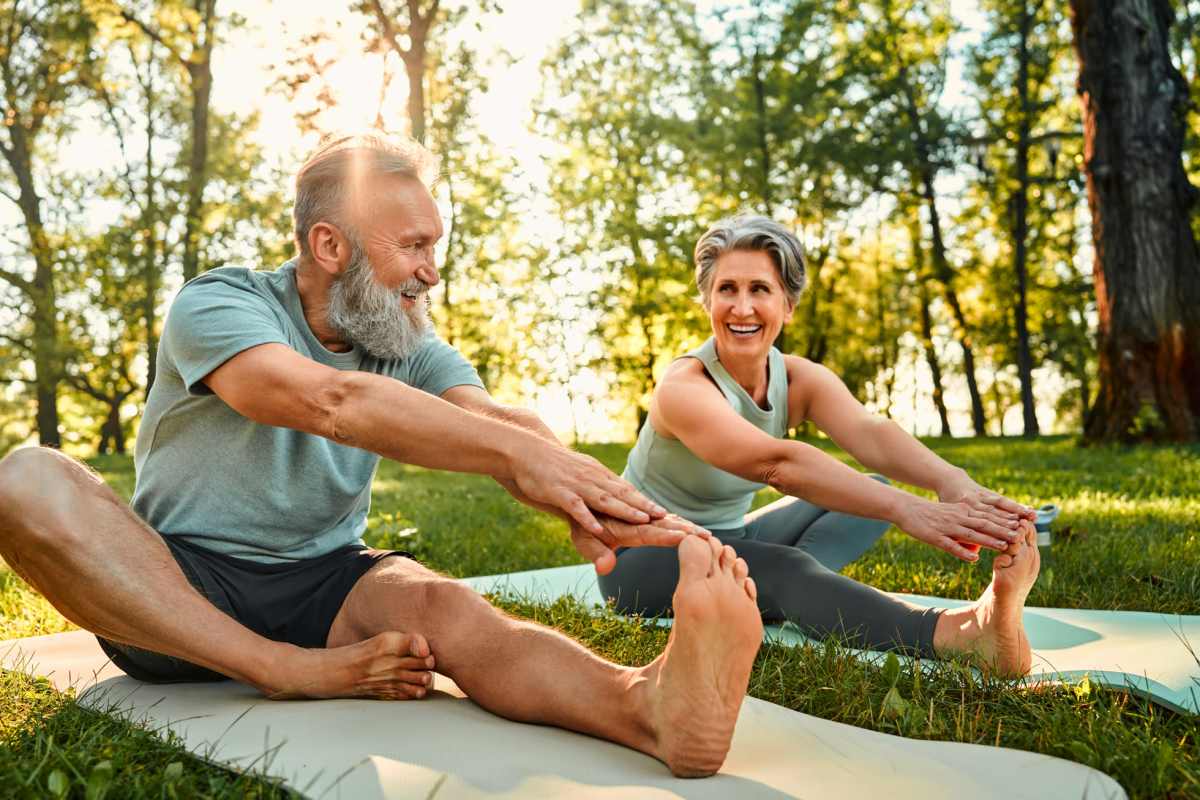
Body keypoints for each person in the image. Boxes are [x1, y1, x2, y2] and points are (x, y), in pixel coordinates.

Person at [0, 134, 766, 778]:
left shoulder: (404, 339)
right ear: (329, 245)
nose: (433, 270)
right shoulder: (219, 305)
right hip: (175, 587)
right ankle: (279, 669)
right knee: (26, 478)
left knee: (446, 607)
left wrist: (590, 494)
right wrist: (509, 454)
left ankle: (649, 708)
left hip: (327, 583)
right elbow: (331, 404)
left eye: (437, 245)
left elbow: (497, 421)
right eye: (415, 246)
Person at [598, 214, 1042, 676]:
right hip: (639, 558)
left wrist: (953, 483)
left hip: (726, 537)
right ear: (707, 301)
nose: (742, 307)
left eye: (760, 290)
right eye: (727, 289)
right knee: (789, 566)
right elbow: (776, 464)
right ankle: (964, 634)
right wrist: (910, 509)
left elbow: (870, 434)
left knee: (863, 492)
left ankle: (773, 590)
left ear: (787, 305)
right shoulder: (685, 387)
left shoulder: (794, 377)